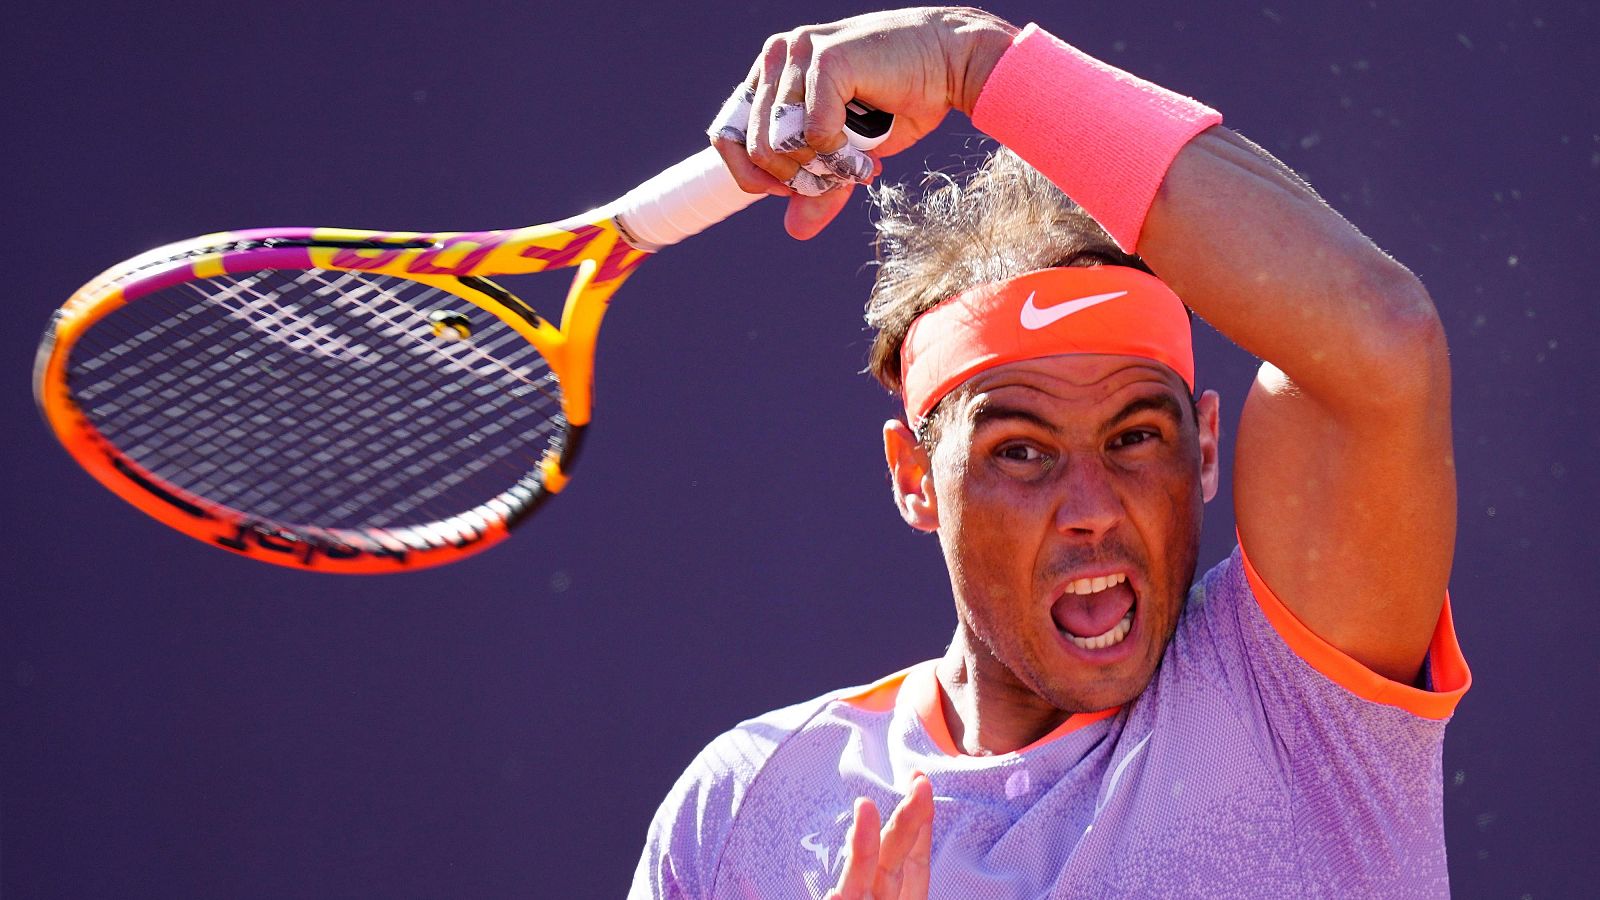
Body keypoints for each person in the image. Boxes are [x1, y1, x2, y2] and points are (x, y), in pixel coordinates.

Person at [632, 8, 1470, 898]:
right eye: (1022, 452)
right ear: (915, 479)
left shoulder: (1296, 702)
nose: (1094, 506)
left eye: (1136, 438)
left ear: (1206, 446)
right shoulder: (742, 809)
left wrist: (972, 61)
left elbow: (1381, 335)